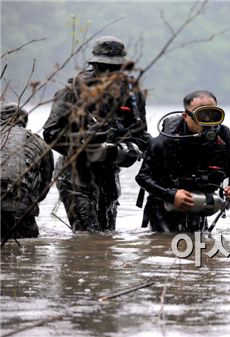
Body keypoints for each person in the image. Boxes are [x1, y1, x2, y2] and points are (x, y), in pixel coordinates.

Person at [42, 35, 150, 232]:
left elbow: (142, 135)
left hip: (110, 174)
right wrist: (84, 141)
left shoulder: (132, 94)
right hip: (76, 175)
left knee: (107, 238)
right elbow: (50, 134)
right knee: (88, 238)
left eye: (115, 68)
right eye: (104, 67)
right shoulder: (72, 92)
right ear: (94, 65)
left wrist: (131, 148)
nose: (109, 73)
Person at [136, 90, 230, 232]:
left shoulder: (223, 136)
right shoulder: (166, 141)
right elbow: (142, 177)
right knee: (164, 246)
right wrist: (171, 195)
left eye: (214, 115)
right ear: (186, 116)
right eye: (202, 115)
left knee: (199, 247)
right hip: (164, 207)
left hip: (199, 205)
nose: (209, 123)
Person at [1, 102, 54, 242]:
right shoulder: (37, 141)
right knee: (27, 251)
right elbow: (46, 183)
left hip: (18, 203)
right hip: (20, 206)